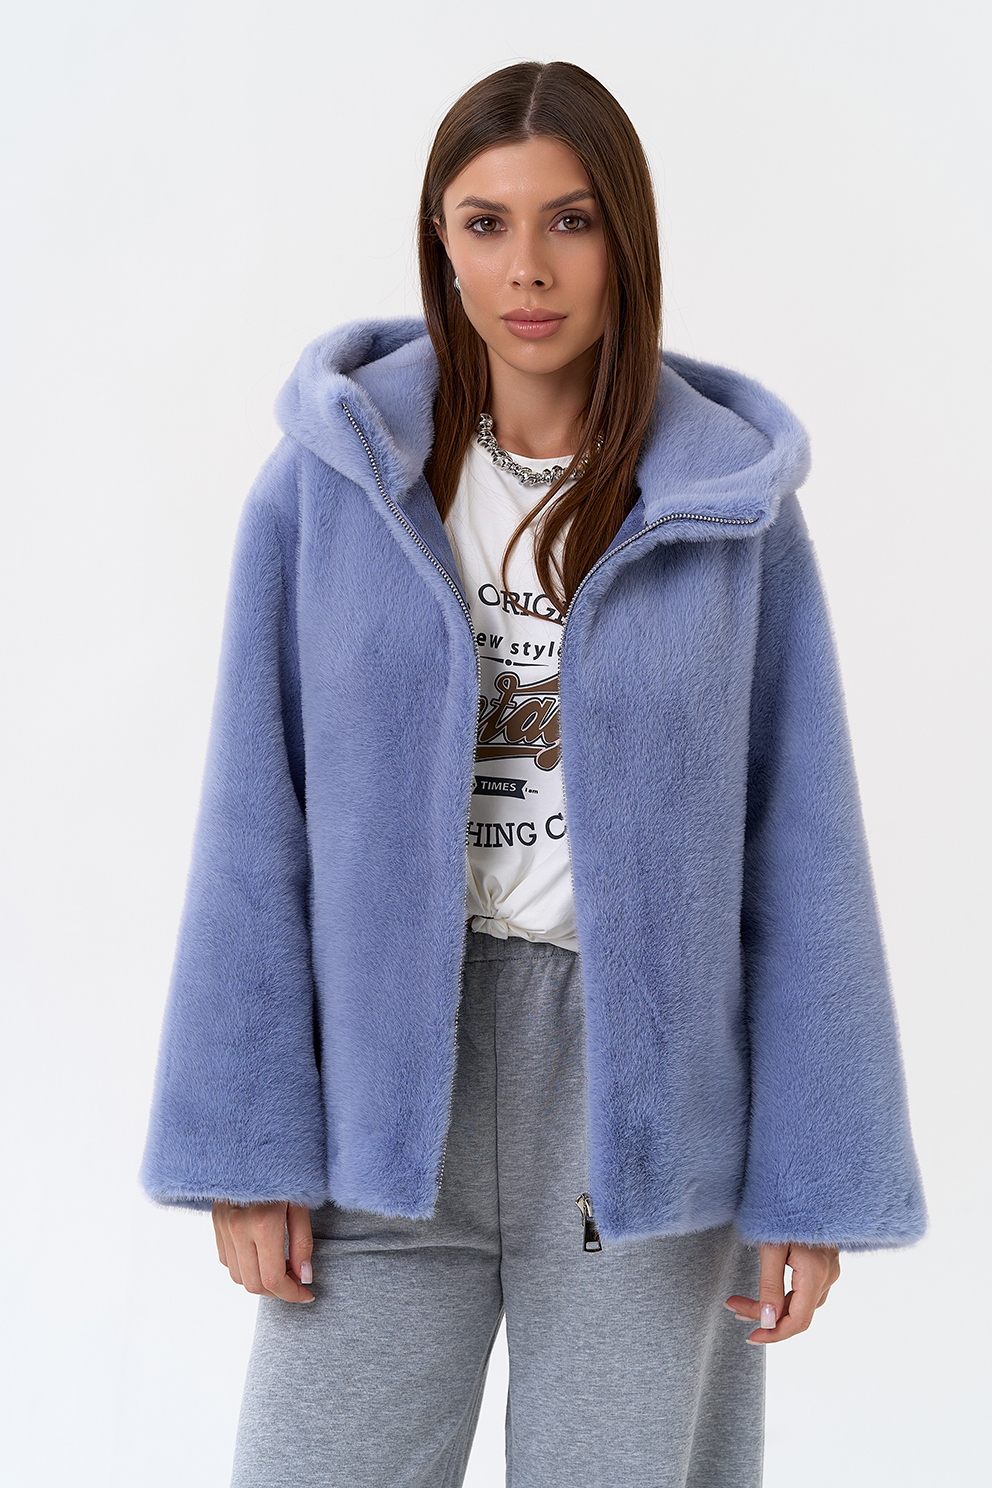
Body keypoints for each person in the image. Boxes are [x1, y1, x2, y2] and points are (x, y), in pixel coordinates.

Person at [139, 59, 927, 1488]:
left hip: (642, 1111)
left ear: (627, 237)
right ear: (439, 243)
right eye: (485, 222)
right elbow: (256, 821)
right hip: (387, 1093)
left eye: (570, 220)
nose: (528, 269)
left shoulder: (724, 509)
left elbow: (802, 845)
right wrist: (247, 1146)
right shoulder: (331, 488)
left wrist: (813, 1179)